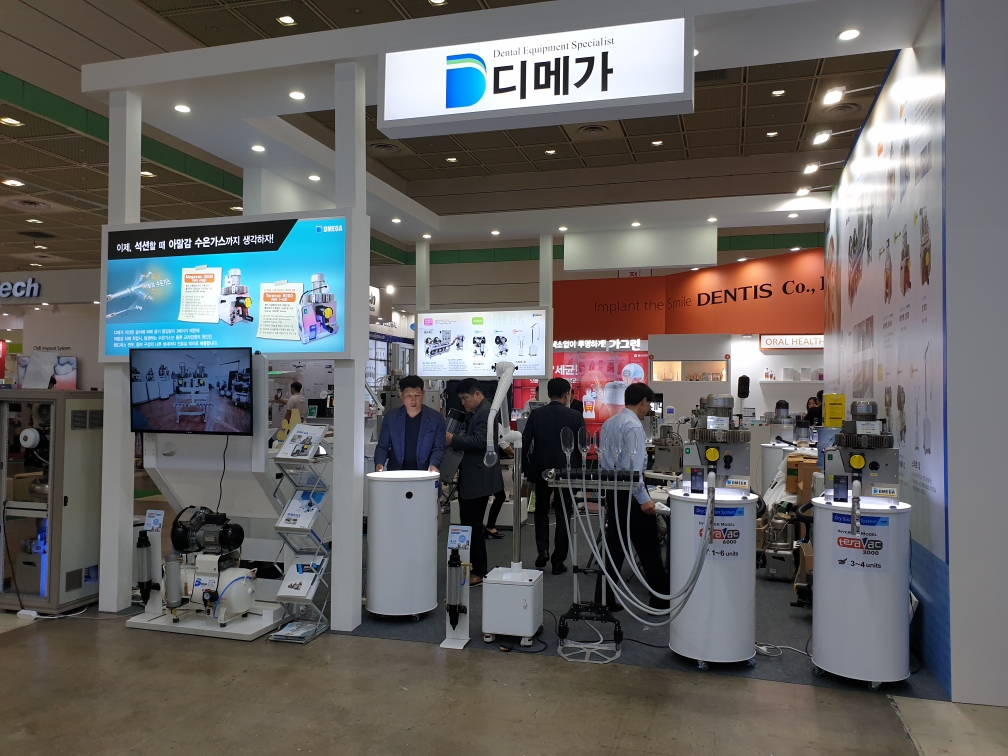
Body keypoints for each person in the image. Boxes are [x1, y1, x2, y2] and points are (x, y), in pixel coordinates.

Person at [594, 382, 669, 611]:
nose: (649, 409)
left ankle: (603, 599)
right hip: (631, 494)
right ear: (643, 401)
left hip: (613, 490)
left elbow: (603, 460)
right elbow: (633, 470)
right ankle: (660, 599)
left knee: (615, 546)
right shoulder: (634, 426)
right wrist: (644, 499)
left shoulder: (609, 423)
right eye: (649, 404)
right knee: (649, 546)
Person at [522, 378, 586, 574]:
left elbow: (525, 443)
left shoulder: (536, 414)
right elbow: (582, 447)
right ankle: (558, 562)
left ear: (548, 395)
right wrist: (579, 473)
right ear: (567, 395)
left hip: (541, 470)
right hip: (567, 472)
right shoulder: (576, 416)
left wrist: (527, 468)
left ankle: (542, 550)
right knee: (563, 514)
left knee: (541, 511)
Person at [445, 378, 503, 585]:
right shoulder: (479, 412)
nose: (463, 403)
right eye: (461, 399)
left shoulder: (486, 413)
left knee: (473, 526)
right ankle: (471, 567)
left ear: (478, 394)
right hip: (473, 477)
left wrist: (453, 439)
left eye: (465, 398)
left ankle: (479, 570)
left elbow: (481, 441)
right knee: (470, 524)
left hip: (478, 479)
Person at [374, 375, 446, 473]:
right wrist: (379, 464)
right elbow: (383, 446)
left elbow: (438, 448)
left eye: (417, 395)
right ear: (401, 395)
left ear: (423, 394)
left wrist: (434, 465)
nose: (413, 400)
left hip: (425, 472)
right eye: (409, 395)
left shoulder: (436, 418)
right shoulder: (391, 417)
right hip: (397, 473)